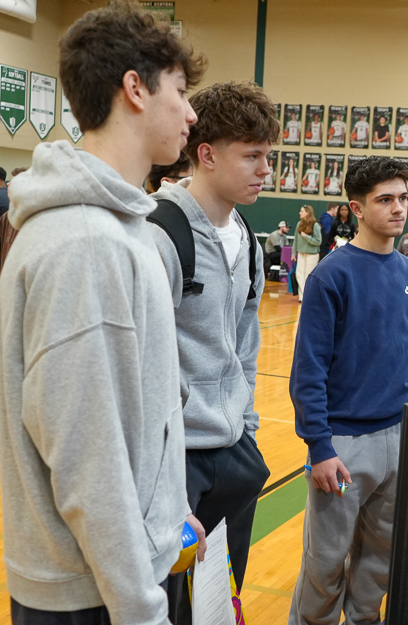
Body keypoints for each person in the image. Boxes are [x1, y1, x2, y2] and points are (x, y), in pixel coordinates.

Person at [0, 4, 206, 622]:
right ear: (135, 89)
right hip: (92, 593)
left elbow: (131, 415)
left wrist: (167, 514)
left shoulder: (120, 229)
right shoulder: (85, 243)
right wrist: (141, 608)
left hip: (115, 573)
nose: (191, 112)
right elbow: (89, 459)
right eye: (180, 90)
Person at [288, 156, 408, 625]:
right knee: (325, 565)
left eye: (403, 198)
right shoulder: (332, 274)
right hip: (344, 446)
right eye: (385, 200)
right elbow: (308, 370)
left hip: (400, 436)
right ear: (356, 207)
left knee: (380, 563)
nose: (398, 208)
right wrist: (319, 446)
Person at [150, 80, 275, 624]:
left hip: (233, 456)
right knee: (169, 611)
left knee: (217, 608)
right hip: (173, 464)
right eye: (252, 156)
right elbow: (142, 369)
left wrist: (244, 424)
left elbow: (245, 342)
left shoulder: (248, 238)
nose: (266, 170)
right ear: (206, 154)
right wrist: (166, 487)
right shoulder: (162, 231)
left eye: (268, 156)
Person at [293, 204, 321, 301]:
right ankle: (302, 296)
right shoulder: (299, 224)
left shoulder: (315, 225)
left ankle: (309, 295)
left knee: (308, 275)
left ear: (307, 213)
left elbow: (318, 241)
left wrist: (307, 237)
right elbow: (295, 241)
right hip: (301, 253)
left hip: (312, 254)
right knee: (299, 274)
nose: (299, 213)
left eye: (302, 211)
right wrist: (293, 254)